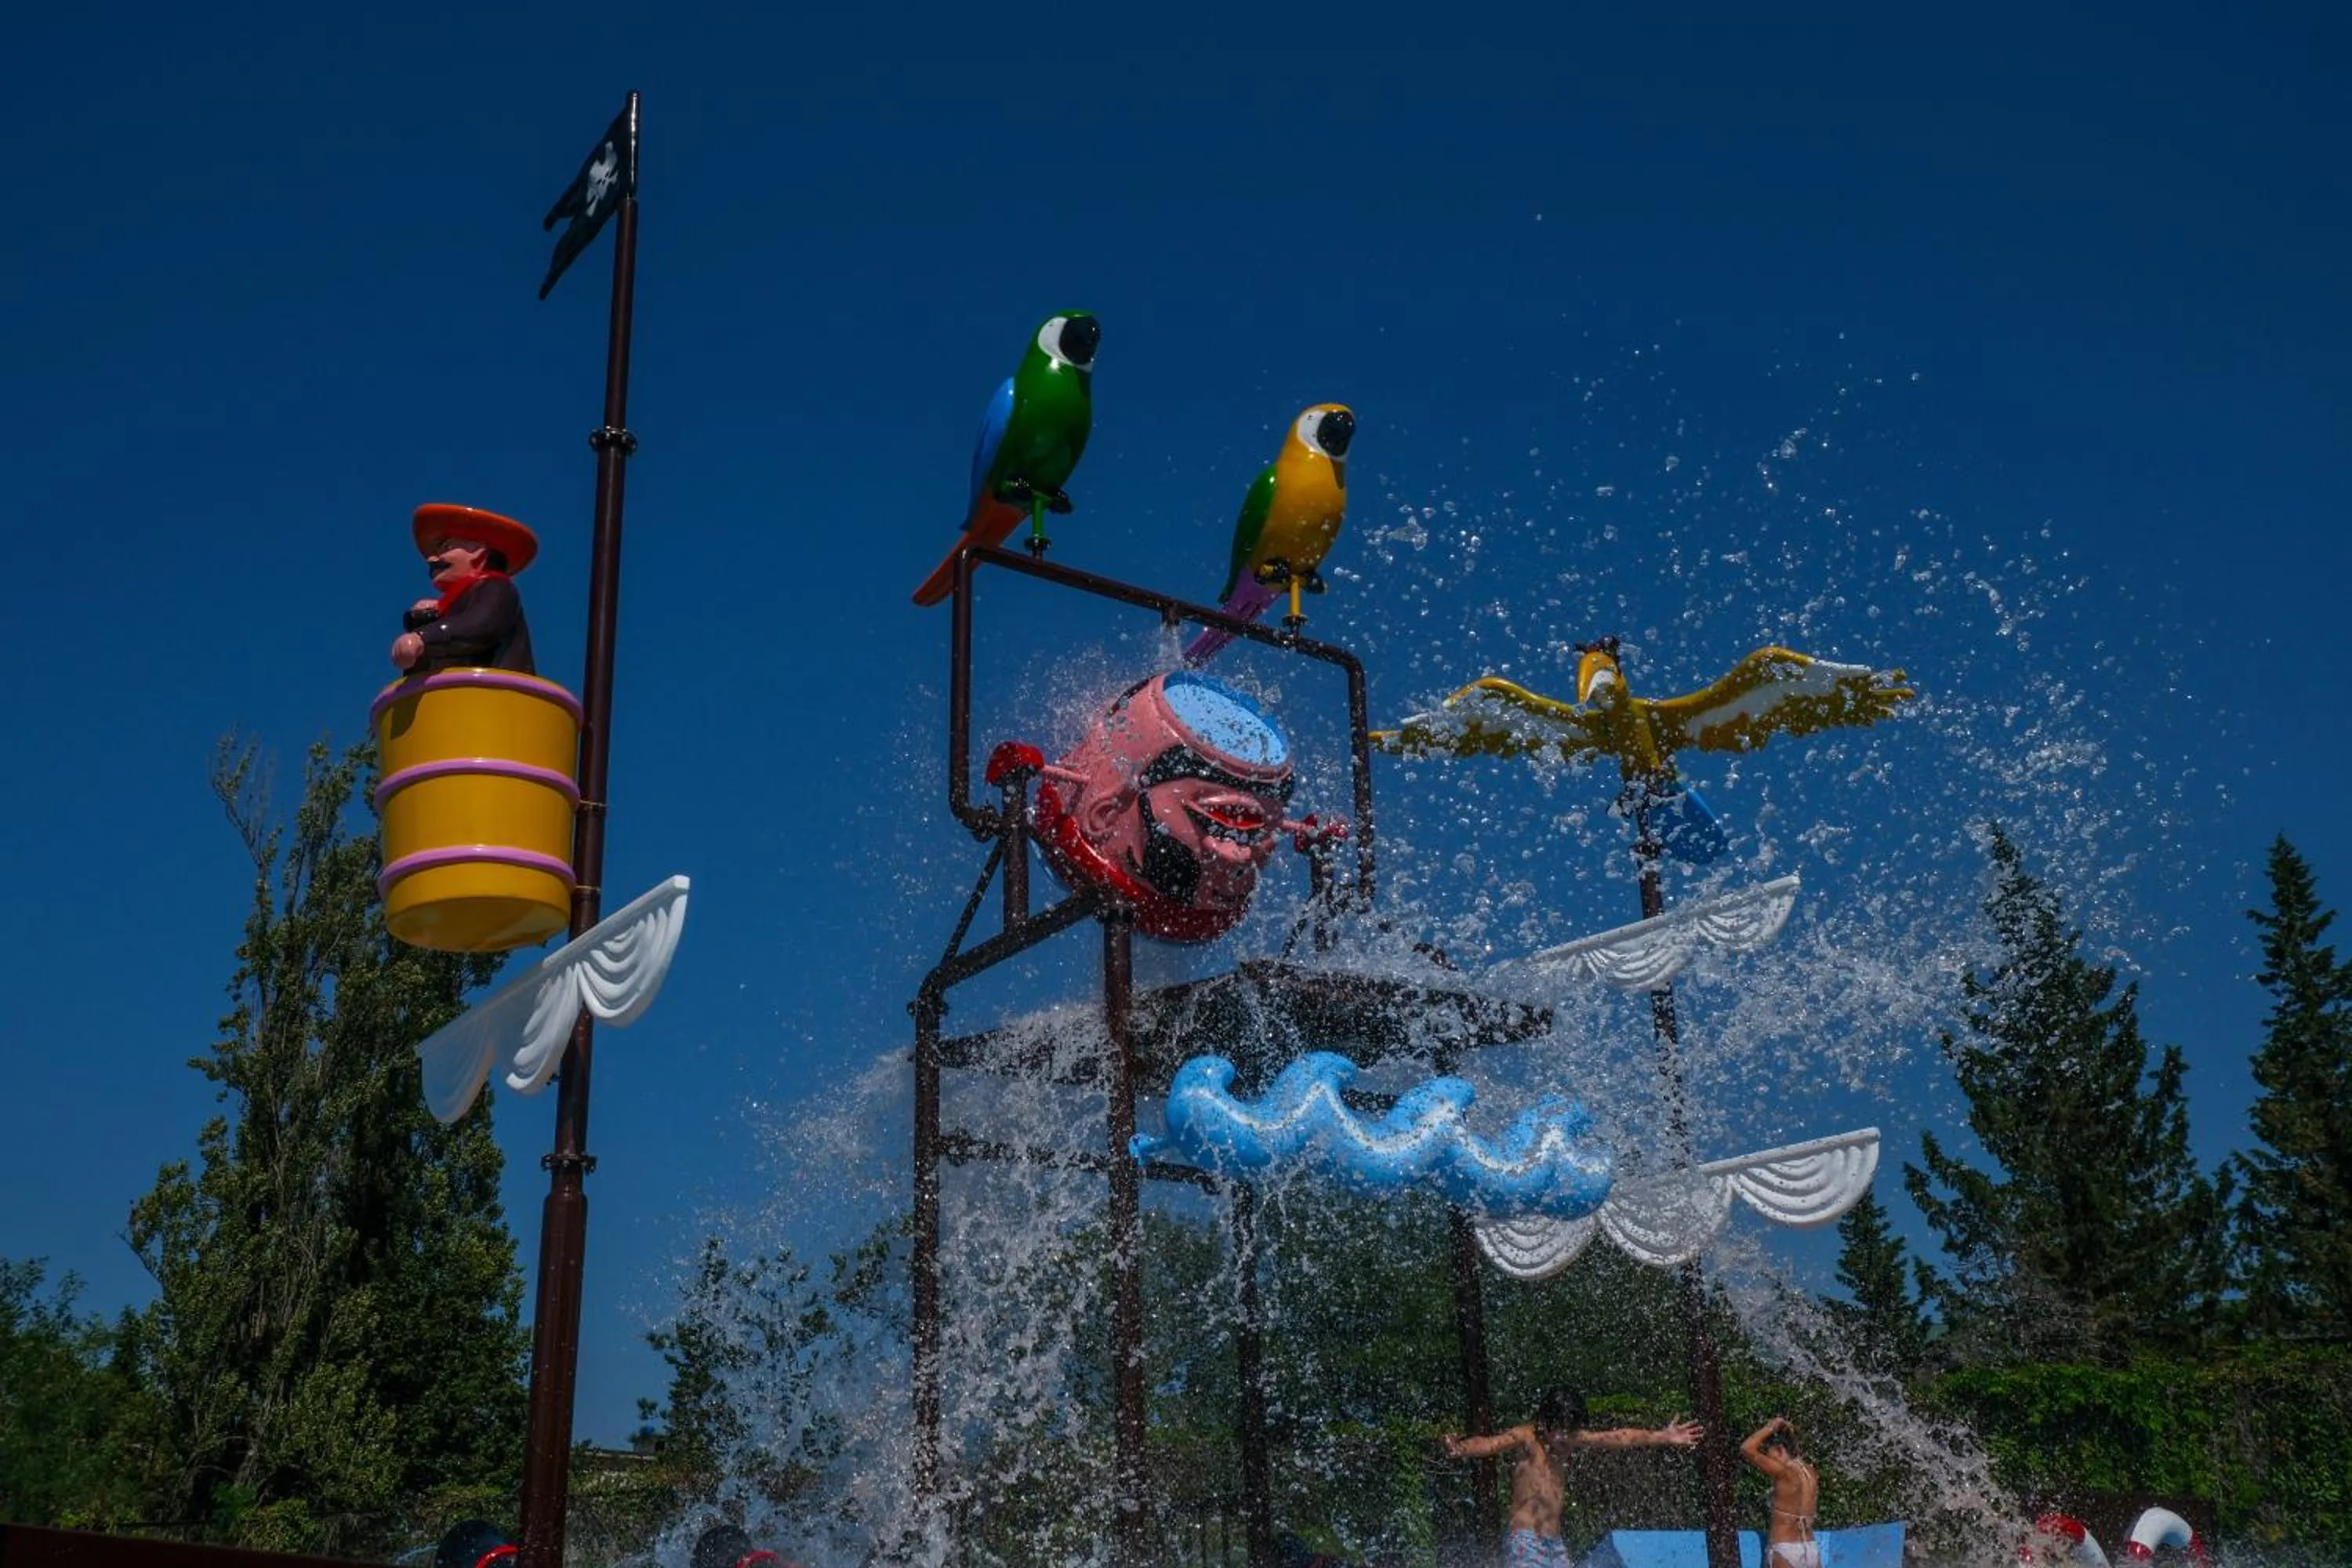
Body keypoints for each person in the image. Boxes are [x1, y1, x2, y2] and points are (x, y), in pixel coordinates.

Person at [1440, 1390, 1702, 1568]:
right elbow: (1490, 1444)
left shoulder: (1570, 1438)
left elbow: (1619, 1437)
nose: (1567, 1438)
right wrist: (1461, 1448)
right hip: (1526, 1541)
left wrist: (1662, 1436)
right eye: (1561, 1430)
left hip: (1556, 1545)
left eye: (1572, 1430)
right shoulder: (1526, 1438)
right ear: (1544, 1423)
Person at [390, 503, 538, 675]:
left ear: (476, 551)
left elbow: (480, 626)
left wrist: (423, 637)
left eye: (446, 548)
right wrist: (423, 623)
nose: (432, 559)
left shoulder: (496, 587)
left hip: (497, 695)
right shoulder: (452, 605)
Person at [1740, 1415, 1820, 1568]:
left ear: (1779, 1450)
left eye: (1769, 1452)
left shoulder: (1783, 1472)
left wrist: (1770, 1427)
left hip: (1784, 1548)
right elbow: (1795, 1447)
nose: (1769, 1458)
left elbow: (1746, 1448)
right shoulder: (1811, 1472)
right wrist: (1788, 1429)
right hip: (1810, 1549)